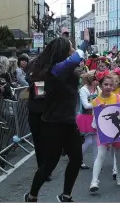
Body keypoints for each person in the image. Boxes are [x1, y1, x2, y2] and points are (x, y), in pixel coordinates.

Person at [24, 29, 90, 202]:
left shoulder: (67, 72)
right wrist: (85, 42)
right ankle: (32, 196)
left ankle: (66, 195)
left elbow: (75, 67)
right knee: (49, 165)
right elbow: (75, 59)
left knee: (76, 158)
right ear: (64, 52)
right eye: (71, 47)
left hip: (68, 122)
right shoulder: (55, 70)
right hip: (52, 123)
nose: (74, 49)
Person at [89, 70, 120, 192]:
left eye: (111, 85)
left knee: (119, 155)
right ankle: (94, 181)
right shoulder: (96, 101)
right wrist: (99, 109)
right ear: (100, 85)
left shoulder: (117, 97)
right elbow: (96, 119)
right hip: (103, 131)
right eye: (106, 84)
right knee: (100, 155)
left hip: (117, 132)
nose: (109, 87)